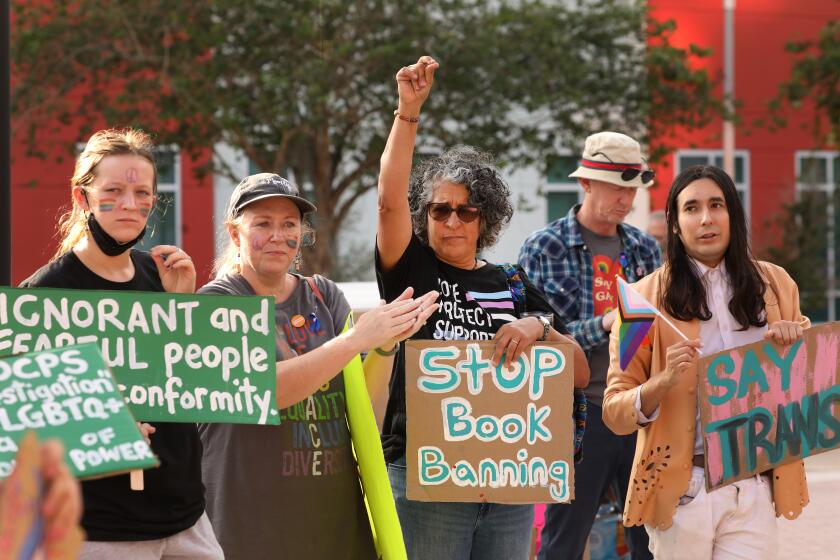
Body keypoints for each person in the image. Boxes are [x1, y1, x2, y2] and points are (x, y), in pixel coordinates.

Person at [376, 56, 589, 560]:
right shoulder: (412, 270)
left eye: (465, 210)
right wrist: (408, 113)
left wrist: (538, 327)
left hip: (507, 485)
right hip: (429, 478)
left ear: (484, 219)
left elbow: (577, 372)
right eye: (438, 209)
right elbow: (387, 201)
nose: (451, 220)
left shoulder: (511, 282)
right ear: (423, 215)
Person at [198, 172, 439, 559]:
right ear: (234, 233)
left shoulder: (323, 294)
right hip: (249, 530)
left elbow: (364, 412)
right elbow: (266, 391)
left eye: (289, 224)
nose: (278, 235)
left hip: (333, 528)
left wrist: (385, 347)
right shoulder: (217, 302)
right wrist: (357, 339)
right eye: (262, 223)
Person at [19, 128, 223, 559]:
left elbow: (191, 384)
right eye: (113, 190)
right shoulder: (43, 297)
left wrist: (183, 308)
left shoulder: (163, 278)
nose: (131, 204)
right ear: (82, 199)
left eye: (142, 192)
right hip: (100, 532)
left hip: (187, 518)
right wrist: (103, 429)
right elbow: (22, 426)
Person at [602, 165, 810, 559]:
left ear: (733, 213)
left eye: (717, 205)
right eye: (691, 208)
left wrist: (795, 349)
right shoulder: (641, 302)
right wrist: (661, 381)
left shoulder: (777, 285)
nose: (706, 219)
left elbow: (808, 381)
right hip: (683, 490)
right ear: (676, 225)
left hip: (754, 482)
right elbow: (615, 411)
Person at [519, 131, 660, 559]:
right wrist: (606, 323)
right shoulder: (545, 247)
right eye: (616, 186)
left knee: (653, 538)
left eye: (631, 187)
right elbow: (540, 337)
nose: (625, 198)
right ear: (585, 183)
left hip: (639, 409)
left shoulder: (645, 248)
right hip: (577, 413)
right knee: (564, 540)